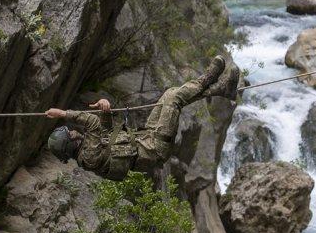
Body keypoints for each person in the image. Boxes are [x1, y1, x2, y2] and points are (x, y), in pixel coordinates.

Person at [45, 56, 239, 179]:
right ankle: (208, 78)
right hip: (155, 147)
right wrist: (63, 114)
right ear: (69, 145)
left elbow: (106, 132)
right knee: (175, 98)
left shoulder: (89, 149)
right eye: (69, 134)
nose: (72, 132)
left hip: (147, 136)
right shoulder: (88, 157)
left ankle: (221, 90)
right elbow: (93, 124)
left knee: (169, 94)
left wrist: (105, 110)